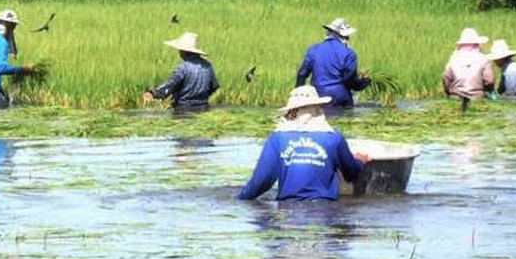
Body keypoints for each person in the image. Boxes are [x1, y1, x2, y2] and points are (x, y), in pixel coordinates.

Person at [238, 85, 370, 202]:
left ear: (291, 112)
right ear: (318, 108)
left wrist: (242, 198)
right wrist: (359, 161)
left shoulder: (277, 138)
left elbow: (263, 180)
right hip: (326, 211)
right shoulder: (333, 137)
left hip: (288, 212)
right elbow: (351, 174)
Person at [295, 18, 370, 108]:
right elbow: (349, 80)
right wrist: (364, 82)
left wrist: (298, 96)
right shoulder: (349, 53)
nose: (348, 39)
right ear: (343, 36)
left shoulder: (313, 50)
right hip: (340, 98)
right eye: (347, 37)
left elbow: (302, 74)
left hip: (318, 97)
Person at [143, 32, 220, 111]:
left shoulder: (183, 68)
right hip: (204, 110)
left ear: (184, 51)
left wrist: (152, 93)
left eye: (180, 49)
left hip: (183, 110)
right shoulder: (207, 66)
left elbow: (170, 85)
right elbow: (214, 86)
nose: (179, 51)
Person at [442, 27, 494, 107]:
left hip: (455, 97)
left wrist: (448, 92)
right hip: (476, 98)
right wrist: (489, 91)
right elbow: (489, 81)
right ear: (477, 44)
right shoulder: (483, 59)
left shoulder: (453, 58)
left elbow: (445, 78)